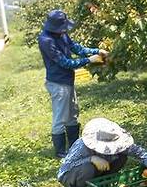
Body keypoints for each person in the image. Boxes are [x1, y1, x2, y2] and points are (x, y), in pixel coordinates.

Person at [38, 9, 108, 158]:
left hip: (67, 81)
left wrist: (97, 51)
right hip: (58, 83)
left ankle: (74, 146)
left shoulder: (61, 34)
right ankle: (61, 152)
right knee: (60, 117)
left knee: (72, 113)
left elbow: (76, 48)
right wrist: (89, 60)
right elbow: (65, 63)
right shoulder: (46, 40)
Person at [58, 118, 147, 187]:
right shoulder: (82, 147)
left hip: (98, 171)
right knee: (87, 167)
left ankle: (103, 183)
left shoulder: (118, 143)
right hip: (72, 175)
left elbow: (137, 151)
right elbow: (67, 166)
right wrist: (91, 159)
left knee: (122, 157)